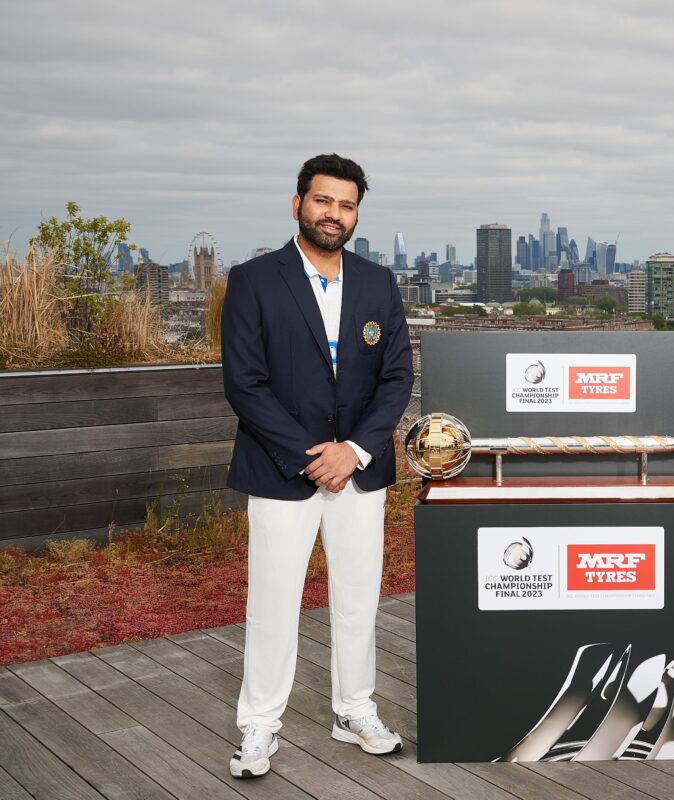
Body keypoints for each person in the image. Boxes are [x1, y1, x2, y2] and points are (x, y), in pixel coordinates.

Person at [221, 153, 414, 778]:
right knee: (272, 602)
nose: (335, 214)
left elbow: (397, 379)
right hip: (282, 472)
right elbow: (244, 385)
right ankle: (259, 726)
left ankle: (354, 709)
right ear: (299, 202)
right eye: (324, 201)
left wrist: (353, 451)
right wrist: (313, 457)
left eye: (347, 205)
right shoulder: (252, 280)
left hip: (359, 471)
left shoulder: (378, 283)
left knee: (358, 598)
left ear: (357, 212)